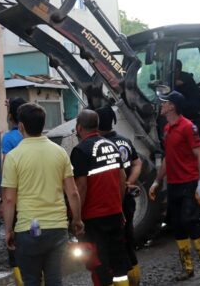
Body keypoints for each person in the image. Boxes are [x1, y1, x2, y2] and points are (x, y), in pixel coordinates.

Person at [1, 103, 84, 286]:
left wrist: (8, 230)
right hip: (57, 228)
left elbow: (8, 199)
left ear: (21, 126)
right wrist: (76, 220)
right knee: (55, 279)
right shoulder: (60, 152)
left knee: (31, 281)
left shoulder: (13, 157)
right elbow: (73, 193)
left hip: (28, 229)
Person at [148, 91, 200, 284]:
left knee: (190, 221)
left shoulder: (188, 127)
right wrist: (157, 181)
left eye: (165, 103)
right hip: (175, 185)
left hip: (189, 183)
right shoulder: (168, 129)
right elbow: (168, 158)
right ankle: (188, 269)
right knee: (177, 226)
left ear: (172, 107)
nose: (161, 105)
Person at [71, 109, 131, 286]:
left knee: (99, 265)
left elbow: (80, 187)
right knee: (119, 264)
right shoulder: (111, 145)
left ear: (79, 127)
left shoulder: (80, 150)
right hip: (115, 213)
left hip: (94, 219)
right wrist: (119, 208)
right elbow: (122, 179)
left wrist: (77, 218)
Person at [95, 106, 143, 286]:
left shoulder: (99, 146)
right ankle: (135, 279)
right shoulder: (124, 141)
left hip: (109, 202)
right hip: (127, 199)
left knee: (112, 245)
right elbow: (138, 163)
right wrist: (129, 182)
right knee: (128, 238)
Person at [0, 97, 27, 285]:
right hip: (35, 195)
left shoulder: (9, 139)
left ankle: (21, 280)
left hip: (16, 196)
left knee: (15, 241)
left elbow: (6, 173)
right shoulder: (37, 136)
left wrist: (2, 200)